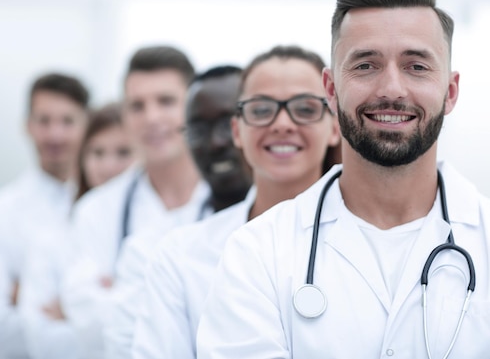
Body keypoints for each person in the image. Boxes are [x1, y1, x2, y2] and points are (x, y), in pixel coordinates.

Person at [196, 0, 490, 359]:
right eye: (366, 65)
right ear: (331, 91)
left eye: (416, 66)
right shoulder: (257, 252)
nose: (391, 89)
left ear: (450, 92)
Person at [131, 45, 341, 359]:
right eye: (260, 109)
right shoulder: (180, 256)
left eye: (306, 108)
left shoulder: (373, 242)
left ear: (335, 126)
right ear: (237, 131)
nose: (282, 124)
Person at [60, 45, 209, 359]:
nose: (151, 117)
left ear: (194, 106)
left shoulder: (232, 202)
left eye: (166, 101)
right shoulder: (96, 211)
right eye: (137, 105)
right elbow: (90, 329)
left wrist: (121, 296)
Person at [103, 65, 253, 359]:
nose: (216, 142)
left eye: (228, 124)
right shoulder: (155, 246)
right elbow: (124, 346)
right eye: (198, 129)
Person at [0, 73, 89, 358]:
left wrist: (28, 298)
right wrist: (87, 311)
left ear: (87, 126)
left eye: (67, 121)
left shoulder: (109, 209)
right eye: (44, 121)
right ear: (27, 126)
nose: (55, 135)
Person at [18, 101, 136, 359]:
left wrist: (74, 310)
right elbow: (40, 337)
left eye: (123, 152)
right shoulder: (51, 232)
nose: (108, 166)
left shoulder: (160, 225)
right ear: (81, 158)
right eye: (97, 153)